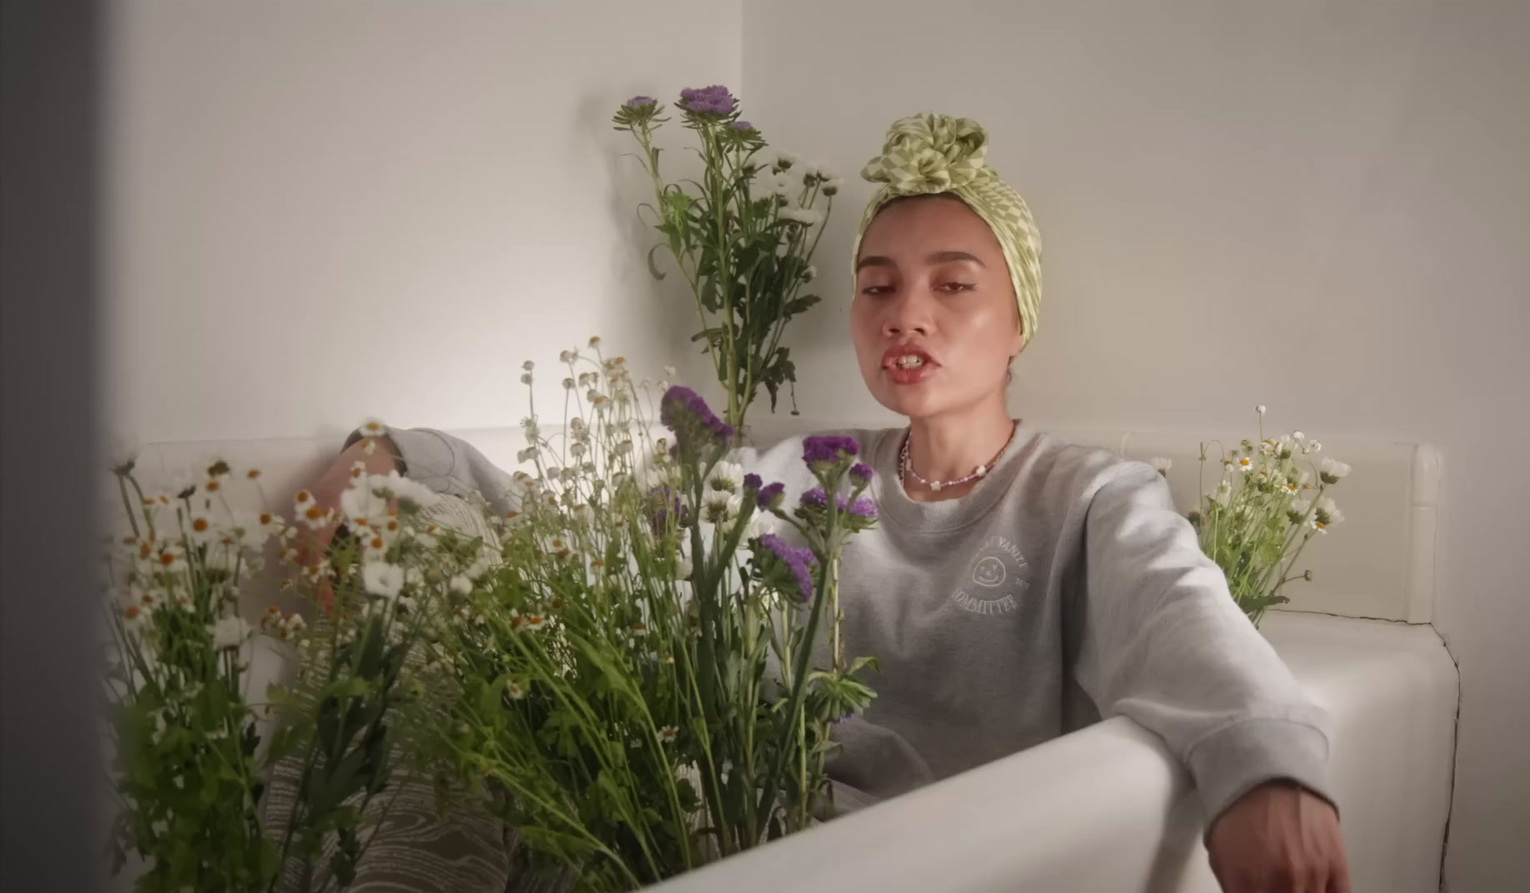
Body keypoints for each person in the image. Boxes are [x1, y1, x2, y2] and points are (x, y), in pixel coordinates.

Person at [303, 113, 1351, 892]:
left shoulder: (1080, 496)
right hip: (746, 846)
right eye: (878, 283)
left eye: (953, 284)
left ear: (1020, 316)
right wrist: (410, 460)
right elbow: (594, 559)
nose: (908, 313)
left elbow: (1180, 610)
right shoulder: (799, 474)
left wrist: (1267, 770)